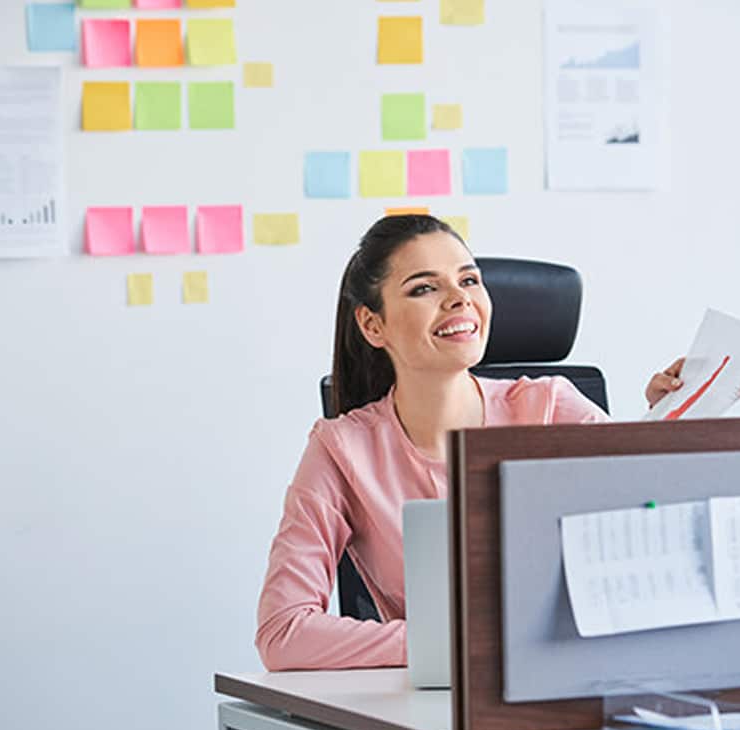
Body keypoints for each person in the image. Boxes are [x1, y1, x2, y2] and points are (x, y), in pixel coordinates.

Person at [256, 214, 683, 671]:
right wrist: (456, 643)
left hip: (582, 677)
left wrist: (665, 423)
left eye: (469, 280)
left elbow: (650, 529)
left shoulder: (552, 407)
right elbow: (283, 632)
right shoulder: (342, 450)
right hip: (444, 706)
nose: (459, 299)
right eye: (425, 288)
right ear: (372, 325)